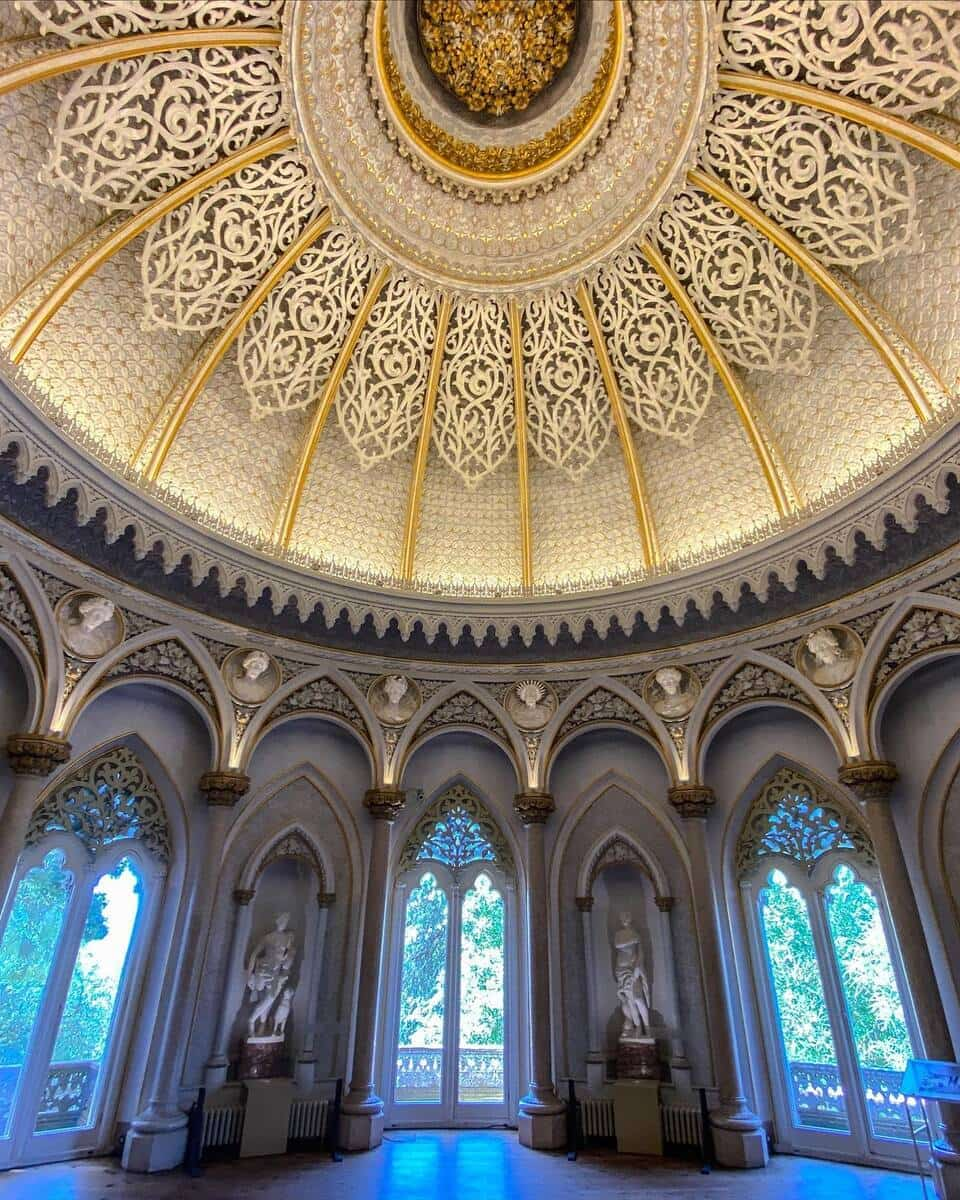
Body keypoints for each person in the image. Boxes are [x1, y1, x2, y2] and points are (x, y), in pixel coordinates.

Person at [613, 912, 651, 1038]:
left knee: (639, 999)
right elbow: (617, 945)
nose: (624, 919)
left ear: (630, 918)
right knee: (630, 1002)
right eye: (622, 917)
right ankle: (638, 1027)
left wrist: (638, 968)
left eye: (627, 917)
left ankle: (647, 1027)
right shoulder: (619, 934)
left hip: (632, 969)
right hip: (621, 970)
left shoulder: (636, 934)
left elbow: (641, 953)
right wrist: (632, 940)